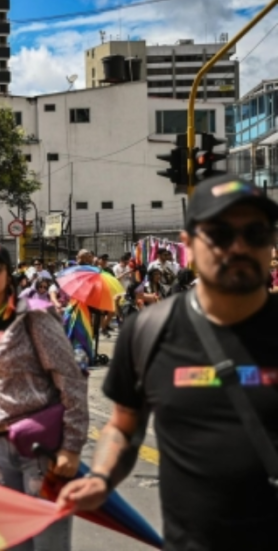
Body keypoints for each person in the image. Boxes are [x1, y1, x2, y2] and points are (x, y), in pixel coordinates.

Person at [60, 175, 278, 550]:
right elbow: (123, 427)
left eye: (255, 232)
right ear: (188, 243)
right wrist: (101, 477)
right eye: (220, 233)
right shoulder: (149, 331)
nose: (239, 245)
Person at [0, 242, 87, 551]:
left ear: (7, 274)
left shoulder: (32, 317)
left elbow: (70, 379)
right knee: (10, 542)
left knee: (49, 542)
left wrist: (72, 446)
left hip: (40, 448)